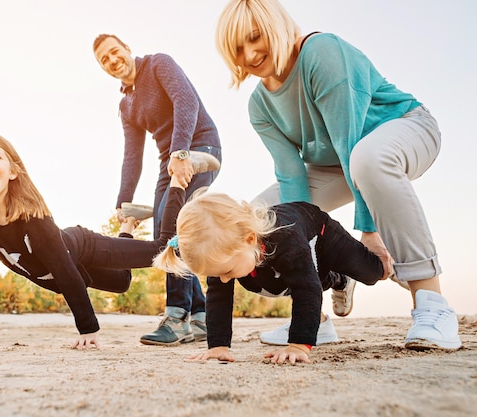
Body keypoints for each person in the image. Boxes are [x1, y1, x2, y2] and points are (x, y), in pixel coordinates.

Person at [213, 0, 461, 351]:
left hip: (404, 130)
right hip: (341, 163)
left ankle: (432, 306)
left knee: (367, 158)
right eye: (238, 48)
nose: (251, 53)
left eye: (256, 37)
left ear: (278, 27)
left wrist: (369, 233)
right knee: (260, 215)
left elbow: (351, 143)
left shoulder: (321, 52)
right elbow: (292, 181)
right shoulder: (259, 106)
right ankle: (314, 317)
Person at [0, 132, 217, 351]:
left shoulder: (34, 219)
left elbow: (63, 268)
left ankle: (179, 181)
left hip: (81, 246)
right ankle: (129, 222)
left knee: (161, 248)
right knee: (121, 283)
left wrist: (88, 328)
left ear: (12, 171)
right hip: (70, 270)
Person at [153, 190, 386, 364]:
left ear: (249, 240)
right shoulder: (226, 256)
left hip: (320, 232)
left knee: (373, 273)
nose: (223, 280)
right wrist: (218, 346)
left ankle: (378, 264)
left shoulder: (287, 241)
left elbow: (307, 290)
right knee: (278, 282)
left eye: (226, 273)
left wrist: (298, 345)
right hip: (294, 263)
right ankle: (338, 281)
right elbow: (218, 298)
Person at [93, 34, 223, 346]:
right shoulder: (126, 105)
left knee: (173, 228)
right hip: (170, 161)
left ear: (126, 48)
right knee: (163, 238)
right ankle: (202, 317)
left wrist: (180, 154)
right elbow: (132, 155)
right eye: (104, 60)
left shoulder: (158, 64)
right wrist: (123, 201)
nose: (112, 61)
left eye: (114, 52)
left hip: (200, 148)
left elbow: (186, 100)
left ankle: (177, 316)